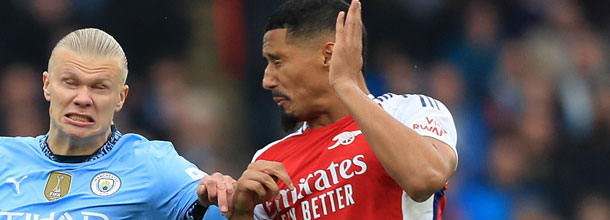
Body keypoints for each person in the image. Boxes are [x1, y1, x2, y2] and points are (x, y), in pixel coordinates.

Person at [200, 0, 458, 219]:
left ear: (328, 56)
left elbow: (425, 178)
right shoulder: (268, 160)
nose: (267, 80)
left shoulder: (410, 110)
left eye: (277, 61)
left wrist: (345, 85)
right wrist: (242, 214)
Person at [0, 28, 235, 220]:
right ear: (47, 85)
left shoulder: (151, 165)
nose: (83, 99)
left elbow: (219, 204)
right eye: (70, 83)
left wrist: (224, 194)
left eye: (99, 87)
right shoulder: (4, 157)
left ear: (121, 97)